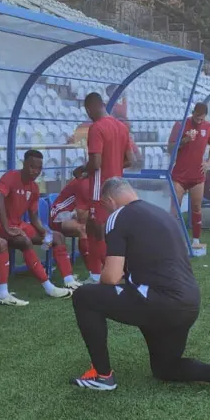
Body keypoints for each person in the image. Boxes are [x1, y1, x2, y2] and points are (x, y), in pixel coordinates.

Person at [70, 177, 210, 396]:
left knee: (84, 296)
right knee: (165, 368)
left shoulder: (119, 216)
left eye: (105, 207)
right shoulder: (164, 215)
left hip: (160, 302)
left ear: (109, 200)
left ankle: (102, 376)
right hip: (188, 304)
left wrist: (102, 285)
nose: (106, 212)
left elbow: (112, 277)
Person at [0, 150, 73, 305]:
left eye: (39, 168)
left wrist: (44, 232)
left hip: (17, 224)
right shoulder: (11, 177)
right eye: (32, 166)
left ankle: (69, 281)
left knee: (57, 237)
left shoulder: (34, 187)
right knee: (25, 241)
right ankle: (47, 287)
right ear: (24, 164)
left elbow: (34, 216)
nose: (35, 171)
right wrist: (6, 227)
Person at [80, 91, 137, 282]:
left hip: (100, 187)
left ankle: (102, 274)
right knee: (109, 229)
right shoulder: (121, 127)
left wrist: (81, 170)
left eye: (87, 110)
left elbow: (95, 163)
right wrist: (114, 165)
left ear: (90, 108)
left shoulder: (96, 128)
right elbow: (132, 159)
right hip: (117, 187)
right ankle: (111, 271)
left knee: (96, 230)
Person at [168, 101, 210, 256]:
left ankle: (196, 240)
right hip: (179, 175)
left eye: (201, 119)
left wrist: (208, 162)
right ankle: (171, 241)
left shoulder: (208, 127)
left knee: (196, 208)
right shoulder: (181, 125)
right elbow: (170, 148)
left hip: (197, 175)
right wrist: (185, 141)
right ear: (193, 112)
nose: (199, 121)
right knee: (174, 209)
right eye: (197, 117)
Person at [48, 167, 96, 279]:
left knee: (99, 228)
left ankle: (101, 268)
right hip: (59, 215)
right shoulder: (85, 183)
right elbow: (82, 215)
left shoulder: (98, 183)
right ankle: (93, 274)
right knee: (83, 229)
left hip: (74, 214)